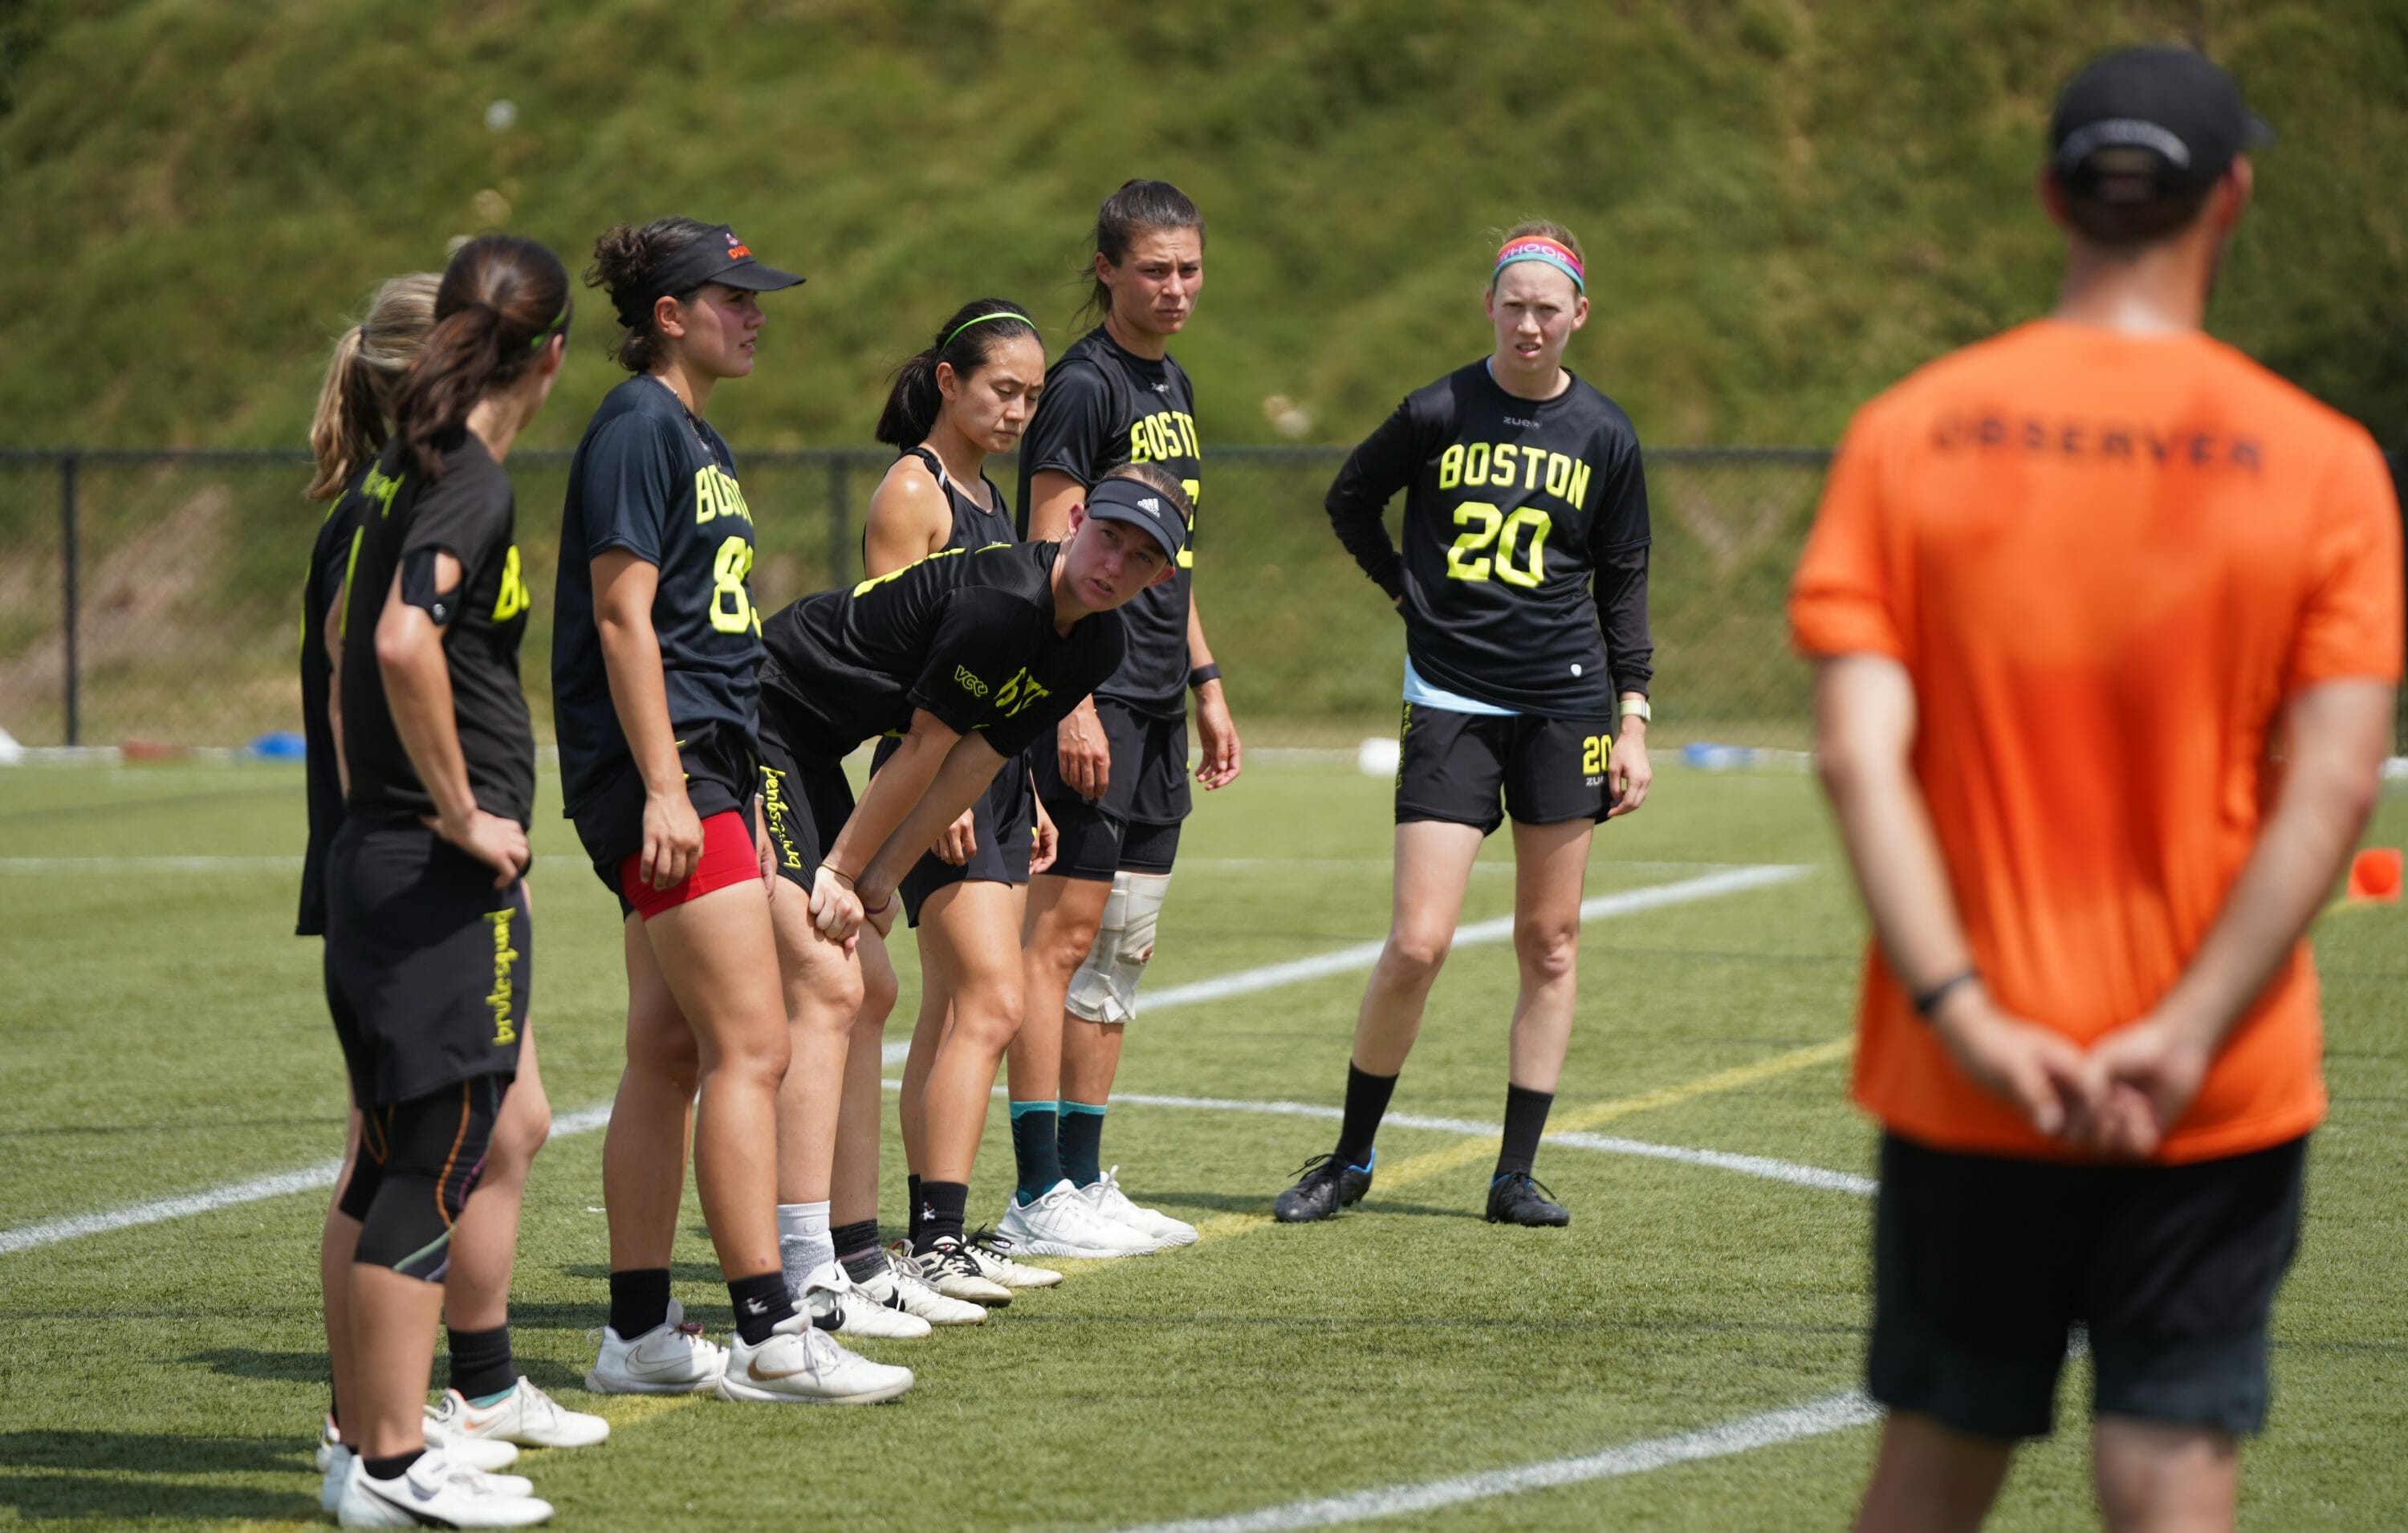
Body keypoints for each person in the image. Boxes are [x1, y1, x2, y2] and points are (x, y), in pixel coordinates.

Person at [1788, 47, 2402, 1532]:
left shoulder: (1913, 433)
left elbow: (1858, 752)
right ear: (2234, 197)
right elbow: (2332, 793)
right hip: (2217, 1086)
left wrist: (1969, 1017)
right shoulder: (2323, 467)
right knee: (2169, 1481)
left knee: (1929, 1475)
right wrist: (2184, 1035)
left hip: (1968, 1078)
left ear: (2055, 194)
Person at [553, 218, 909, 1405]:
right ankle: (771, 1325)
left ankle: (639, 1332)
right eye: (731, 297)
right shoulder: (639, 426)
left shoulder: (695, 431)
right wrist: (665, 783)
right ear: (668, 312)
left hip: (707, 767)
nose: (754, 314)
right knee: (751, 1044)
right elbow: (622, 617)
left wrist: (734, 793)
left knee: (667, 1050)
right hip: (667, 774)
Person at [1274, 219, 1656, 1229]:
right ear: (1489, 305)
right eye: (1514, 304)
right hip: (1451, 698)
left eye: (1549, 308)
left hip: (1566, 700)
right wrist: (1413, 597)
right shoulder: (1440, 407)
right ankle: (1350, 1158)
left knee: (1552, 939)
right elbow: (1351, 499)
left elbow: (1623, 581)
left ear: (1579, 314)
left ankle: (1513, 1173)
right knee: (1419, 941)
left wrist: (1634, 714)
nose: (1530, 324)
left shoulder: (1606, 434)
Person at [300, 275, 603, 1510]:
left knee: (446, 1138)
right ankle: (384, 1442)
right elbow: (376, 657)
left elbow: (354, 667)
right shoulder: (441, 489)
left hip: (398, 860)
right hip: (421, 870)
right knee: (425, 1151)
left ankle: (405, 1413)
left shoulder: (401, 488)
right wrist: (449, 810)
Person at [754, 463, 1190, 1297]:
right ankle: (810, 1270)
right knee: (837, 981)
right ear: (1075, 517)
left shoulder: (1099, 639)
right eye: (1108, 536)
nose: (1114, 564)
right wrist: (848, 869)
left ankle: (856, 1259)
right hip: (765, 713)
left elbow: (976, 760)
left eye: (1141, 558)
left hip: (819, 744)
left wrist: (884, 873)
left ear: (1163, 576)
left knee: (867, 989)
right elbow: (922, 748)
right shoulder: (1004, 601)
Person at [1007, 179, 1240, 1253]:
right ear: (1106, 270)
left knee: (1125, 946)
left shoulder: (1178, 381)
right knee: (1059, 941)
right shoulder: (1085, 388)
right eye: (1156, 268)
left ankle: (1088, 1177)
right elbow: (1055, 544)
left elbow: (1166, 556)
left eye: (1189, 267)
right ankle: (1036, 1191)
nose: (1176, 286)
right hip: (1095, 695)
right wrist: (1077, 700)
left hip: (1157, 694)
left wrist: (1205, 681)